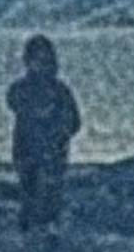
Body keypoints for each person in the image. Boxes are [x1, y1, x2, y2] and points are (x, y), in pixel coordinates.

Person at [6, 34, 81, 234]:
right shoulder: (24, 89)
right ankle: (34, 227)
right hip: (29, 152)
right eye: (37, 60)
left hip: (51, 153)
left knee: (47, 195)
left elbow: (73, 122)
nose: (42, 65)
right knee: (32, 192)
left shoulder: (59, 91)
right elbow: (13, 101)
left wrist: (57, 133)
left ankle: (44, 228)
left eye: (45, 59)